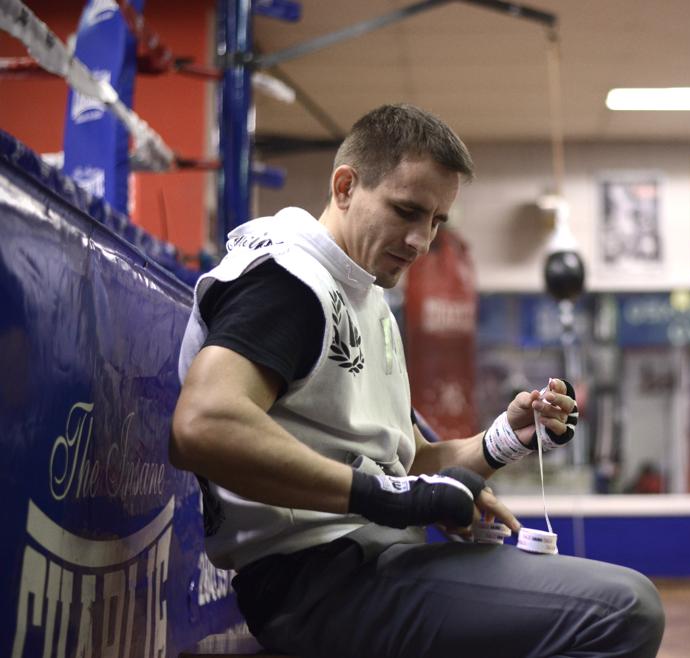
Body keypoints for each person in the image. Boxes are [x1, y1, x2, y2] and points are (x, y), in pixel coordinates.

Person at [170, 103, 664, 658]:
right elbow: (202, 425)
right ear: (345, 186)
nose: (421, 241)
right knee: (623, 610)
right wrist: (396, 499)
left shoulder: (367, 298)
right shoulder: (290, 280)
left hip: (371, 561)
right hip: (317, 583)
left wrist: (507, 439)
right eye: (406, 211)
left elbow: (406, 465)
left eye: (435, 221)